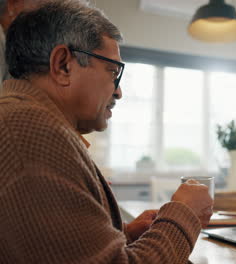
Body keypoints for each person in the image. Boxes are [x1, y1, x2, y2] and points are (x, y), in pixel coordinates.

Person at [0, 1, 213, 263]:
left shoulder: (22, 119)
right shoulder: (31, 132)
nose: (119, 91)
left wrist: (123, 234)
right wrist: (184, 213)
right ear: (63, 65)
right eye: (113, 71)